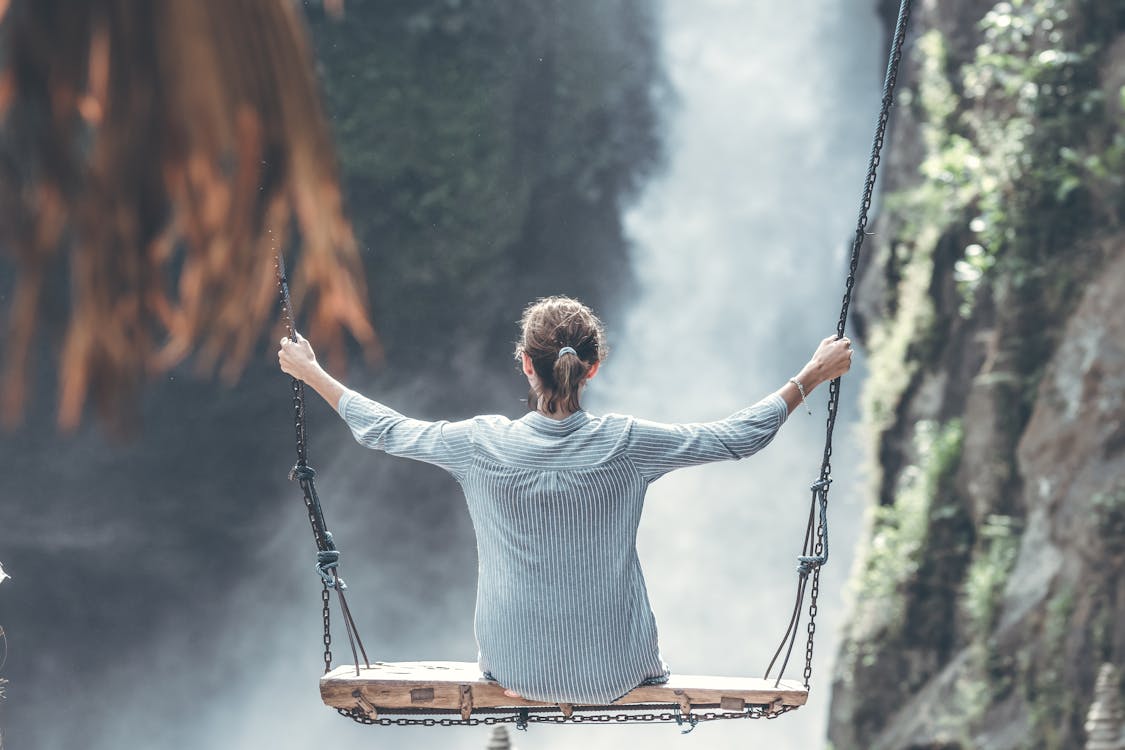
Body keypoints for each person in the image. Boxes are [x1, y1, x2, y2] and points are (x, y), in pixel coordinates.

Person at [277, 295, 852, 705]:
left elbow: (387, 430)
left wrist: (313, 373)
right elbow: (735, 439)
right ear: (592, 369)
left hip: (514, 668)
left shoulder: (479, 444)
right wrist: (810, 375)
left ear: (526, 364)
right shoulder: (630, 444)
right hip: (620, 671)